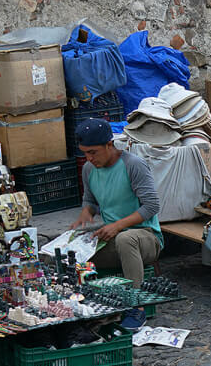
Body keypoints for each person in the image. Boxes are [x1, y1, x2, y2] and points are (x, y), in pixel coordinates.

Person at [69, 118, 163, 285]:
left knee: (125, 239)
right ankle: (87, 300)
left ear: (109, 145)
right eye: (85, 153)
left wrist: (118, 225)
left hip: (145, 237)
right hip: (113, 237)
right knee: (68, 251)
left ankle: (135, 303)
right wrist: (86, 211)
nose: (88, 158)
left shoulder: (133, 165)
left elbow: (152, 206)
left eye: (93, 152)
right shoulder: (89, 169)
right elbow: (90, 200)